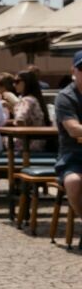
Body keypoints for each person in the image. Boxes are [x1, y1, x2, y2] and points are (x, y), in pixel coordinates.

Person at [54, 51, 82, 225]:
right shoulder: (66, 97)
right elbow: (73, 130)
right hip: (74, 156)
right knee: (73, 182)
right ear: (73, 70)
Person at [12, 70, 51, 152]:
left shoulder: (26, 100)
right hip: (40, 143)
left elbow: (19, 120)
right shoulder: (35, 98)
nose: (14, 84)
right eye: (13, 81)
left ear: (27, 83)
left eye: (17, 81)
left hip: (27, 146)